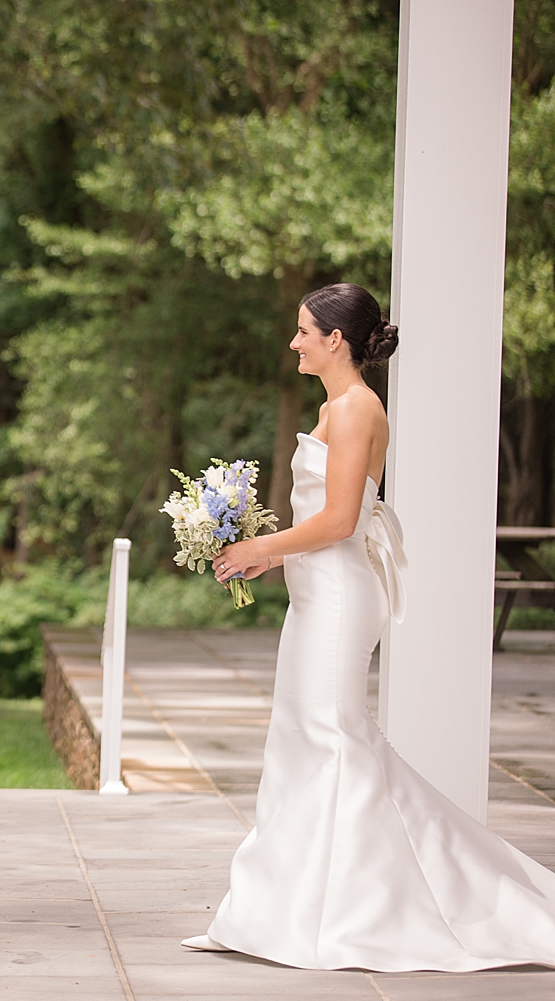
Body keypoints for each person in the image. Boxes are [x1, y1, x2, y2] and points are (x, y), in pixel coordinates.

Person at [182, 283, 555, 971]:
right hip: (314, 596)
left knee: (332, 739)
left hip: (339, 599)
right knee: (309, 738)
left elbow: (341, 521)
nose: (293, 342)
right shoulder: (337, 406)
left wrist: (262, 546)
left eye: (302, 331)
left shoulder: (357, 409)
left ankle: (355, 911)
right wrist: (271, 559)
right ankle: (286, 906)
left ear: (336, 339)